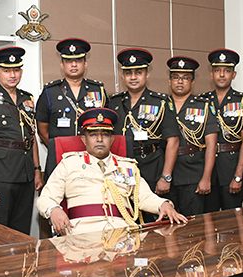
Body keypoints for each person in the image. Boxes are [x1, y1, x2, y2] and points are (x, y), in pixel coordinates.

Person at [36, 107, 188, 235]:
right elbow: (45, 198)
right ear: (84, 140)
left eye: (105, 135)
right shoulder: (69, 164)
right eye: (93, 135)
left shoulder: (128, 166)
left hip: (122, 233)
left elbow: (145, 197)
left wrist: (163, 204)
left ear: (112, 139)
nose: (99, 139)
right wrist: (54, 209)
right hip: (81, 233)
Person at [0, 47, 43, 234]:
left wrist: (37, 170)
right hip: (1, 174)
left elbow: (32, 136)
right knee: (0, 230)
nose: (12, 75)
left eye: (16, 70)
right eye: (6, 70)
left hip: (26, 174)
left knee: (22, 229)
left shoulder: (27, 98)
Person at [108, 48, 179, 200]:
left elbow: (173, 141)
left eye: (138, 72)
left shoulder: (161, 102)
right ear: (123, 76)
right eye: (128, 73)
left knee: (153, 211)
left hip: (152, 167)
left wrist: (166, 177)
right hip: (121, 168)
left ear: (147, 74)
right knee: (124, 209)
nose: (133, 77)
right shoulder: (114, 102)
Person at [35, 38, 108, 179]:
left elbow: (107, 126)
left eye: (78, 60)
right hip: (60, 159)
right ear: (62, 64)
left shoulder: (98, 90)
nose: (74, 65)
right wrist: (59, 147)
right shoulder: (50, 92)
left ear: (85, 63)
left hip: (92, 159)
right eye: (69, 61)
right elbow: (42, 130)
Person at [198, 49, 243, 210]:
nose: (222, 75)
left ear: (234, 75)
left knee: (232, 219)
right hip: (206, 169)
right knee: (208, 218)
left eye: (227, 71)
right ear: (211, 74)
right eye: (217, 70)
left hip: (231, 167)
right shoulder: (202, 101)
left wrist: (238, 176)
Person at [164, 56, 219, 215]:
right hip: (165, 173)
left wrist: (206, 177)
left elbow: (211, 145)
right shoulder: (161, 105)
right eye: (176, 77)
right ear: (169, 81)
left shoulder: (203, 106)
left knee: (193, 223)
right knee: (165, 221)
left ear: (193, 82)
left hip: (193, 173)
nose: (180, 81)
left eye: (185, 78)